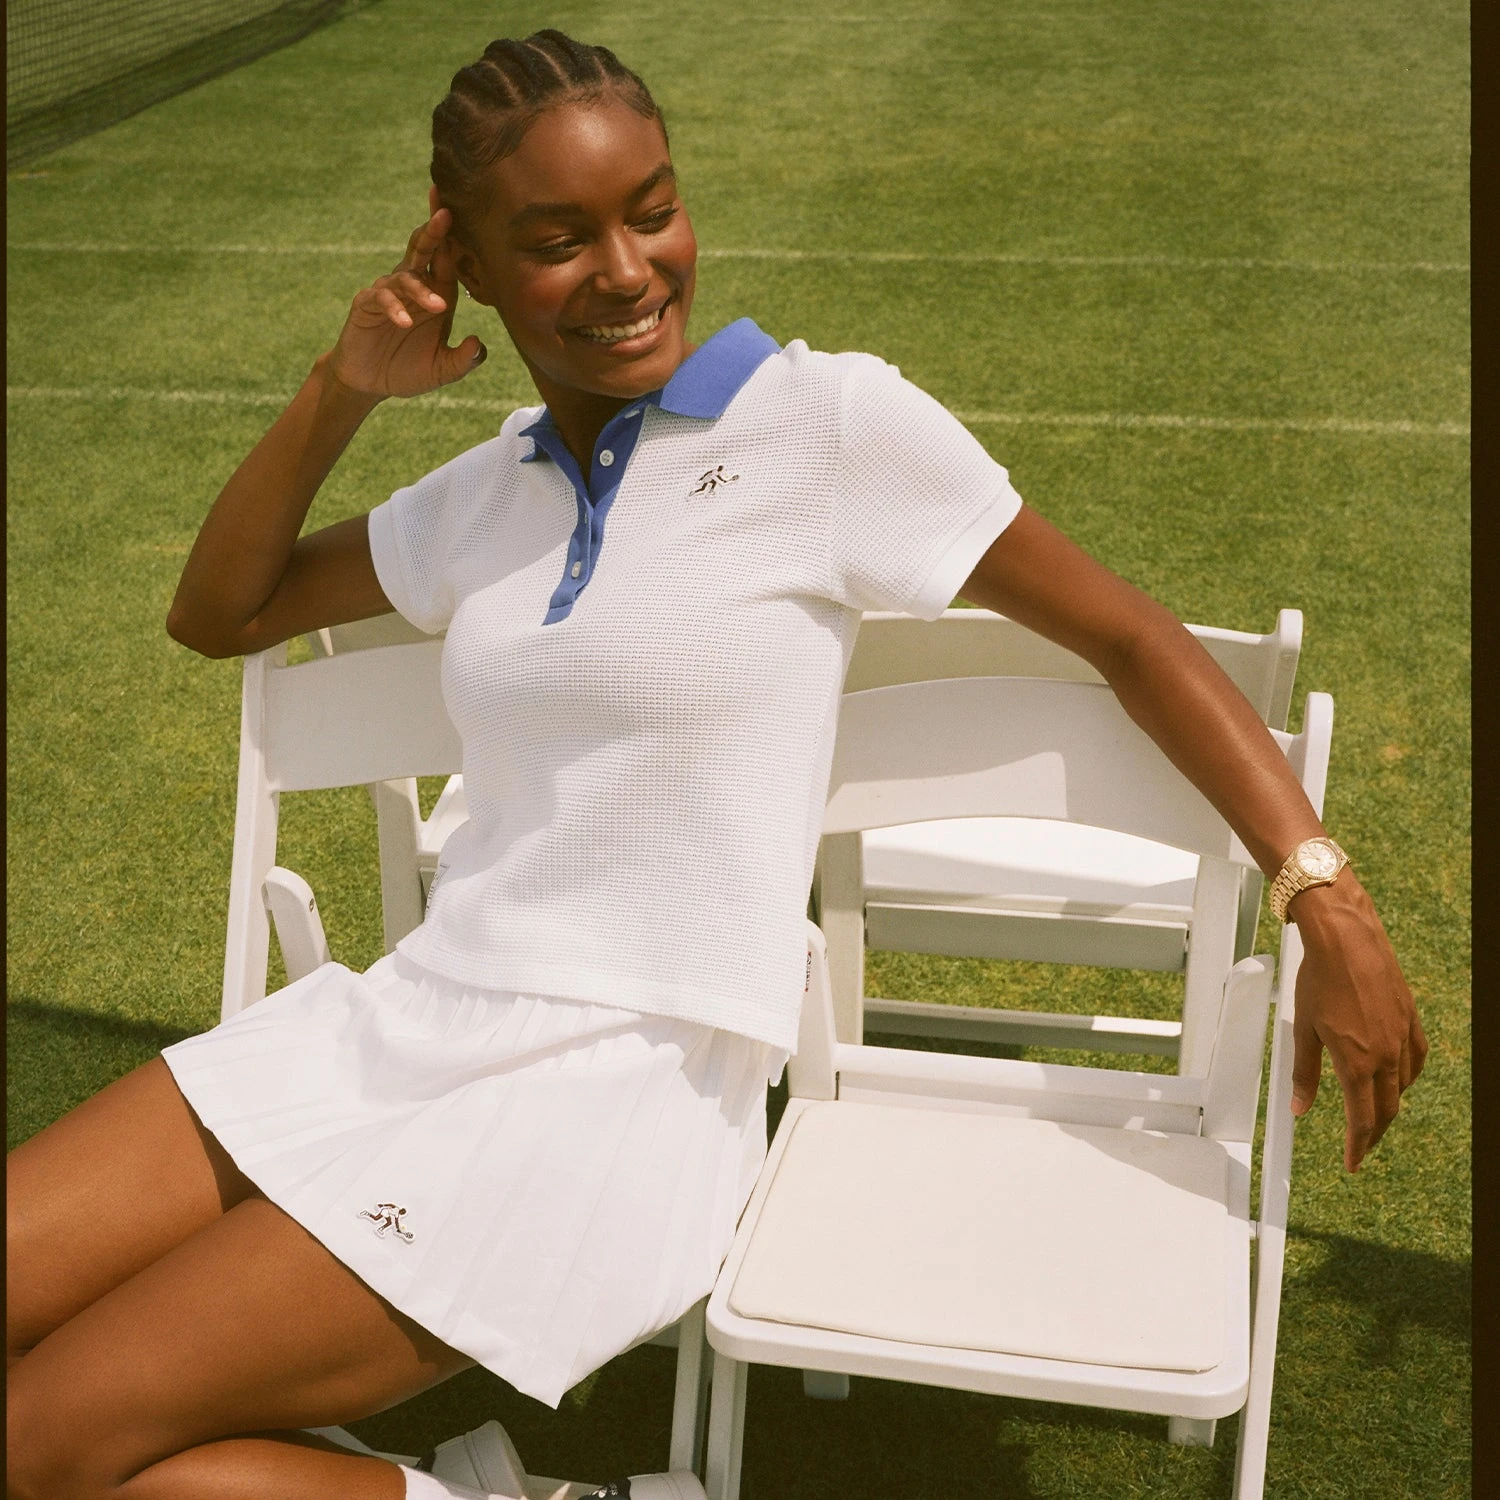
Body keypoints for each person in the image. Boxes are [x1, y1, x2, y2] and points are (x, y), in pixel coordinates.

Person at [5, 28, 1427, 1500]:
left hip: (616, 1094)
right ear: (468, 267)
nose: (626, 270)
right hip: (403, 1021)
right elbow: (217, 612)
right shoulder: (484, 490)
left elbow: (1126, 635)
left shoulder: (826, 424)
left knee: (43, 1441)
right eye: (555, 240)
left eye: (652, 209)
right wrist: (347, 384)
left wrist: (1326, 896)